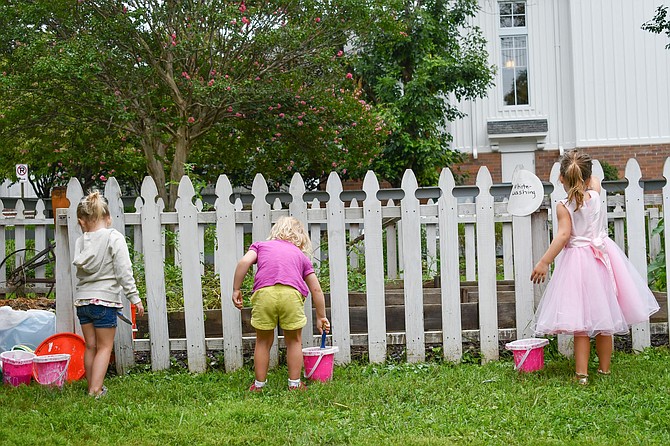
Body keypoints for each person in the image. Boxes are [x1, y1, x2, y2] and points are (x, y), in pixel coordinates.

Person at [531, 150, 659, 385]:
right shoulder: (596, 195)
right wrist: (587, 177)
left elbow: (562, 236)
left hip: (578, 263)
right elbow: (595, 183)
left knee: (581, 325)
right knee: (604, 320)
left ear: (561, 178)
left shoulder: (564, 206)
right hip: (602, 258)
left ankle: (581, 375)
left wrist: (544, 261)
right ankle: (604, 370)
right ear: (588, 177)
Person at [232, 216, 330, 391]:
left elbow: (244, 262)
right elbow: (316, 290)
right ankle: (294, 383)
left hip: (264, 295)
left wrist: (236, 289)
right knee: (294, 341)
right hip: (291, 296)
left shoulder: (260, 246)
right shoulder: (300, 256)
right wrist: (321, 316)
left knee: (262, 341)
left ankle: (259, 385)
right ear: (300, 238)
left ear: (275, 232)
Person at [73, 191, 145, 398]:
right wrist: (135, 297)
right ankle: (96, 390)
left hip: (83, 302)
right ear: (108, 217)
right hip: (104, 302)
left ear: (82, 222)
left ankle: (91, 386)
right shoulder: (114, 238)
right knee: (105, 347)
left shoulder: (81, 242)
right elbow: (124, 271)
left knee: (91, 346)